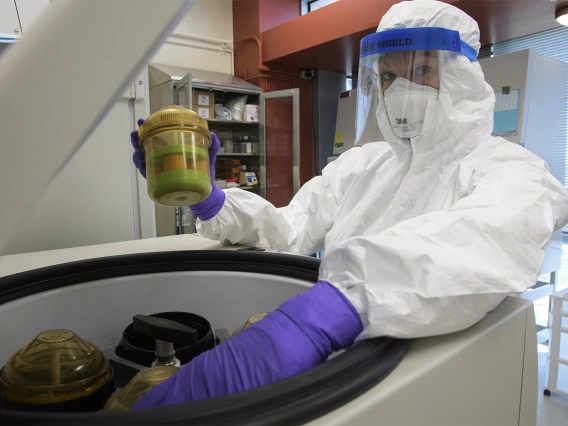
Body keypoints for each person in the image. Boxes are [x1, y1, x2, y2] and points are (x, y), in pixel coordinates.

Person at [130, 0, 568, 409]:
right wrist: (212, 201)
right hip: (344, 372)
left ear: (460, 76)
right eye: (390, 77)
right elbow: (290, 230)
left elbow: (486, 237)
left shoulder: (510, 168)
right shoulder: (364, 164)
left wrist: (335, 308)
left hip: (436, 388)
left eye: (420, 70)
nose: (401, 89)